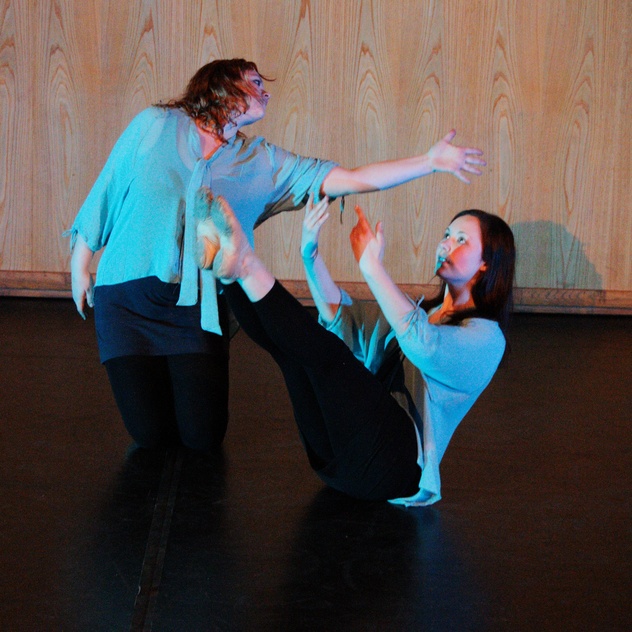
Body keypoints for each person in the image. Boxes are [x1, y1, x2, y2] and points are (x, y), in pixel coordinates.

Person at [65, 57, 486, 454]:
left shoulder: (261, 161)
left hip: (198, 311)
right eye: (254, 82)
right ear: (221, 83)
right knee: (150, 436)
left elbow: (353, 179)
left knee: (201, 437)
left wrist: (429, 162)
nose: (265, 92)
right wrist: (80, 263)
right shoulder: (156, 124)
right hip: (127, 302)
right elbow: (109, 187)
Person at [194, 190, 515, 505]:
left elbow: (424, 346)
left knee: (330, 356)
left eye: (461, 240)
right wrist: (310, 254)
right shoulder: (421, 313)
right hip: (339, 459)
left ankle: (244, 262)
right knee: (292, 356)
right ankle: (226, 269)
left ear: (486, 264)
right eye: (446, 234)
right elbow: (343, 318)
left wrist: (373, 268)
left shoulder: (487, 340)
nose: (446, 243)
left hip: (393, 468)